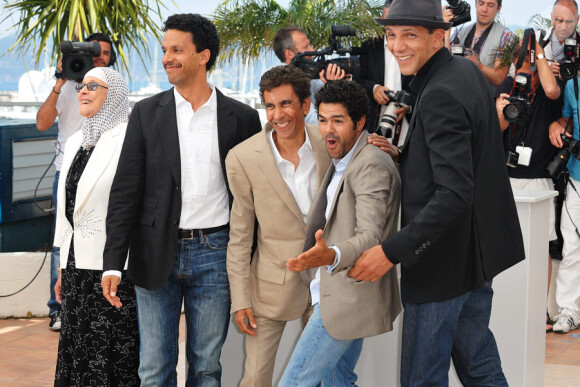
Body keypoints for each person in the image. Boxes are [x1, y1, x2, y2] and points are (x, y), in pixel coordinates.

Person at [351, 0, 525, 385]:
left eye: (410, 35)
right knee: (478, 365)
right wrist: (404, 154)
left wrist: (388, 252)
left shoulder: (441, 91)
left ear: (439, 37)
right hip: (475, 257)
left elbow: (453, 194)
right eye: (392, 35)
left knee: (421, 378)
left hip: (443, 266)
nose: (398, 46)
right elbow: (464, 158)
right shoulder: (464, 70)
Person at [101, 13, 261, 386]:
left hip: (217, 252)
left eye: (177, 50)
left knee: (206, 366)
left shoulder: (242, 117)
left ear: (203, 55)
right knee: (154, 368)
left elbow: (255, 195)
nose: (167, 58)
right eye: (164, 50)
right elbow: (126, 190)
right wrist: (112, 262)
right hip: (155, 249)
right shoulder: (145, 112)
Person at [279, 80, 401, 386]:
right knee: (339, 382)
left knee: (294, 383)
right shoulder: (343, 159)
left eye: (338, 121)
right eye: (322, 120)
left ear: (360, 122)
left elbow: (372, 235)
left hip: (345, 298)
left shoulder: (369, 163)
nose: (328, 130)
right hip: (333, 293)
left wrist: (331, 254)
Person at [225, 65, 330, 387]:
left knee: (322, 377)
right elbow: (240, 236)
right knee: (255, 378)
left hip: (326, 283)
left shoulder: (330, 143)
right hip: (270, 285)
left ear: (305, 105)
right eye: (270, 105)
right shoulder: (243, 157)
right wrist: (240, 299)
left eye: (286, 104)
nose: (278, 114)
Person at [52, 67, 138, 386]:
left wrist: (117, 263)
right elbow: (67, 212)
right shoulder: (76, 140)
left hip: (111, 265)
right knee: (77, 346)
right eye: (81, 86)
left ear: (113, 94)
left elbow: (131, 204)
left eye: (92, 86)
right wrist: (62, 266)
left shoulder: (128, 138)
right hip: (76, 265)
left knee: (111, 348)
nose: (83, 91)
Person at [36, 32, 116, 331]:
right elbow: (42, 122)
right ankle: (58, 309)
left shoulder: (113, 89)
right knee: (62, 241)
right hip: (66, 173)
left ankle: (91, 304)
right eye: (94, 53)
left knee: (102, 236)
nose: (99, 57)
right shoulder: (69, 87)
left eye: (105, 53)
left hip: (103, 174)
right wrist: (59, 81)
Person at [495, 35, 562, 332]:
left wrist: (539, 54)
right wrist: (502, 108)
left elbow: (550, 87)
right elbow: (496, 128)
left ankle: (539, 311)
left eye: (529, 63)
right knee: (504, 243)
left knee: (540, 249)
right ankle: (507, 306)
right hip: (508, 180)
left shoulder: (548, 93)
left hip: (538, 180)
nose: (525, 69)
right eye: (519, 62)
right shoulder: (505, 89)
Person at [355, 0, 412, 145]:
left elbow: (425, 82)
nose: (391, 27)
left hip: (407, 126)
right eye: (387, 21)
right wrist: (374, 89)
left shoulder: (414, 47)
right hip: (375, 122)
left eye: (396, 21)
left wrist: (410, 105)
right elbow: (357, 81)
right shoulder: (369, 46)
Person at [549, 74, 580, 334]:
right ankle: (568, 311)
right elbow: (566, 115)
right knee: (571, 248)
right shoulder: (573, 85)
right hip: (576, 178)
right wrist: (556, 125)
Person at [273, 26, 346, 125]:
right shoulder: (285, 85)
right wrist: (334, 88)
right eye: (306, 46)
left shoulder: (305, 78)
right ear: (289, 53)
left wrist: (336, 82)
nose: (312, 49)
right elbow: (317, 122)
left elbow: (321, 87)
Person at [445, 0, 514, 92]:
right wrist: (446, 27)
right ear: (475, 4)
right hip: (456, 95)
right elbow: (445, 64)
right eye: (481, 3)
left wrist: (478, 65)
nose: (484, 9)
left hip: (483, 101)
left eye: (490, 5)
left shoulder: (505, 35)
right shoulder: (459, 31)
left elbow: (499, 78)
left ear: (499, 8)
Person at [540, 0, 580, 78]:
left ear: (577, 20)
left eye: (569, 21)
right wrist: (545, 72)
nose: (564, 27)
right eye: (559, 20)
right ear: (551, 17)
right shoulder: (536, 40)